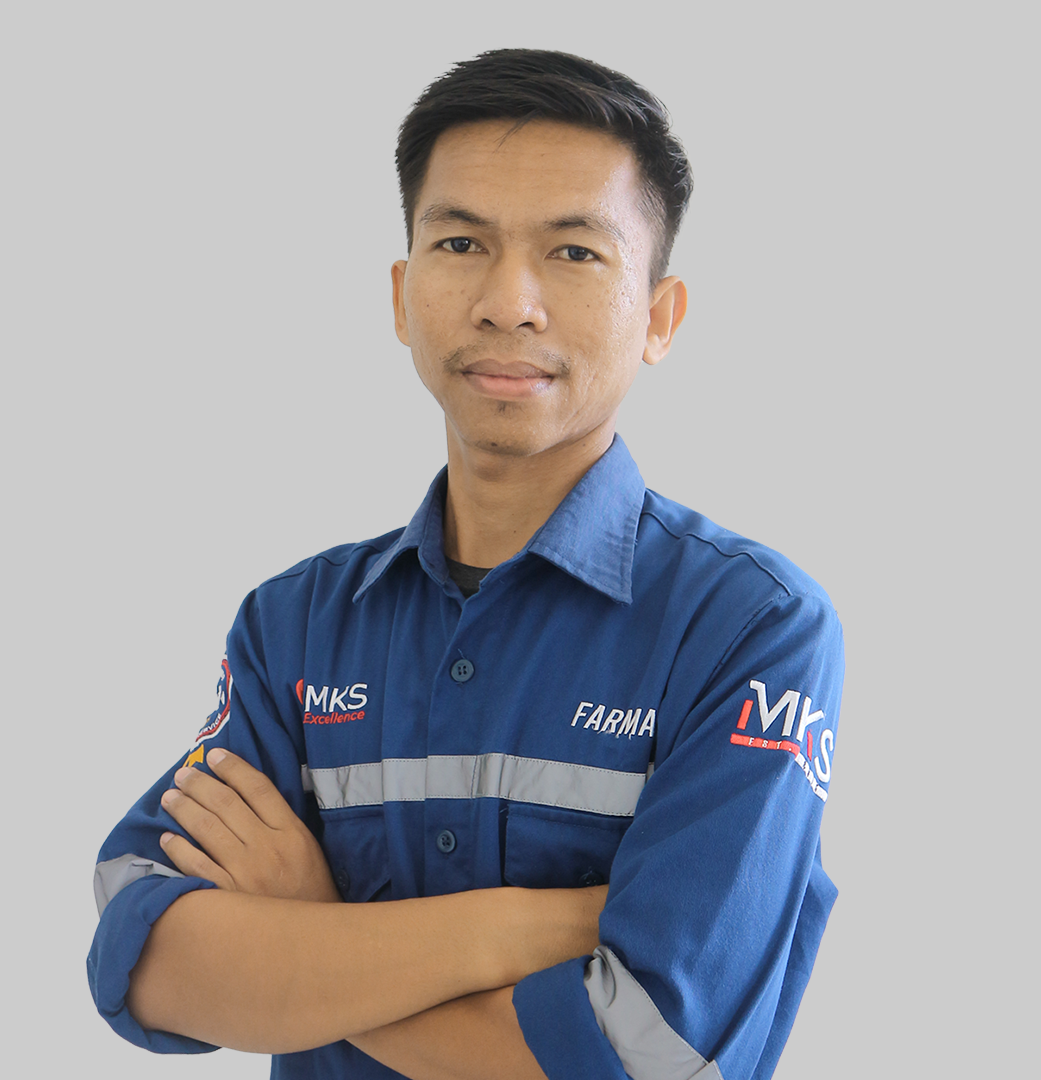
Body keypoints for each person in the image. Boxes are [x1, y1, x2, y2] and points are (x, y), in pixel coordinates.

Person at [89, 49, 844, 1080]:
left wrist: (308, 933)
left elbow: (648, 1055)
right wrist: (523, 928)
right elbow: (144, 960)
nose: (509, 302)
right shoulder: (295, 625)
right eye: (460, 243)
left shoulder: (749, 627)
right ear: (403, 297)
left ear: (659, 317)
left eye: (573, 252)